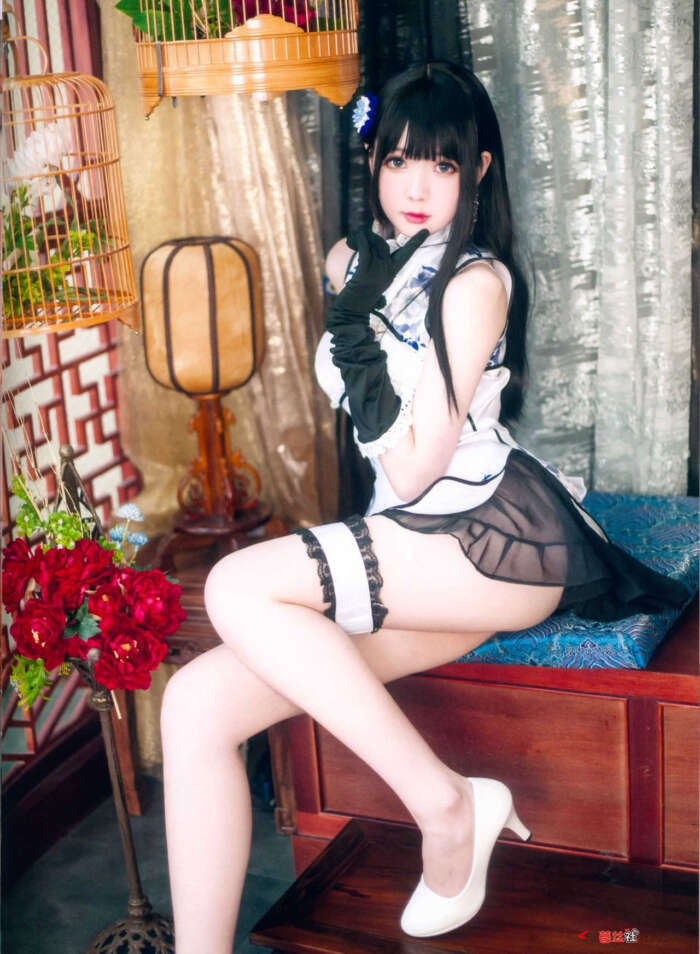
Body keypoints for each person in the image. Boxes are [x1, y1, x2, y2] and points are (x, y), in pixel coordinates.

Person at [160, 62, 688, 952]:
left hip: (491, 542)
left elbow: (412, 472)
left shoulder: (475, 285)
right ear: (373, 160)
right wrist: (354, 299)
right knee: (193, 706)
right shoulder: (358, 260)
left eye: (442, 165)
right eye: (399, 160)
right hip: (413, 548)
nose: (416, 186)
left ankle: (445, 803)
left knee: (235, 587)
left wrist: (355, 332)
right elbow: (389, 464)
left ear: (476, 171)